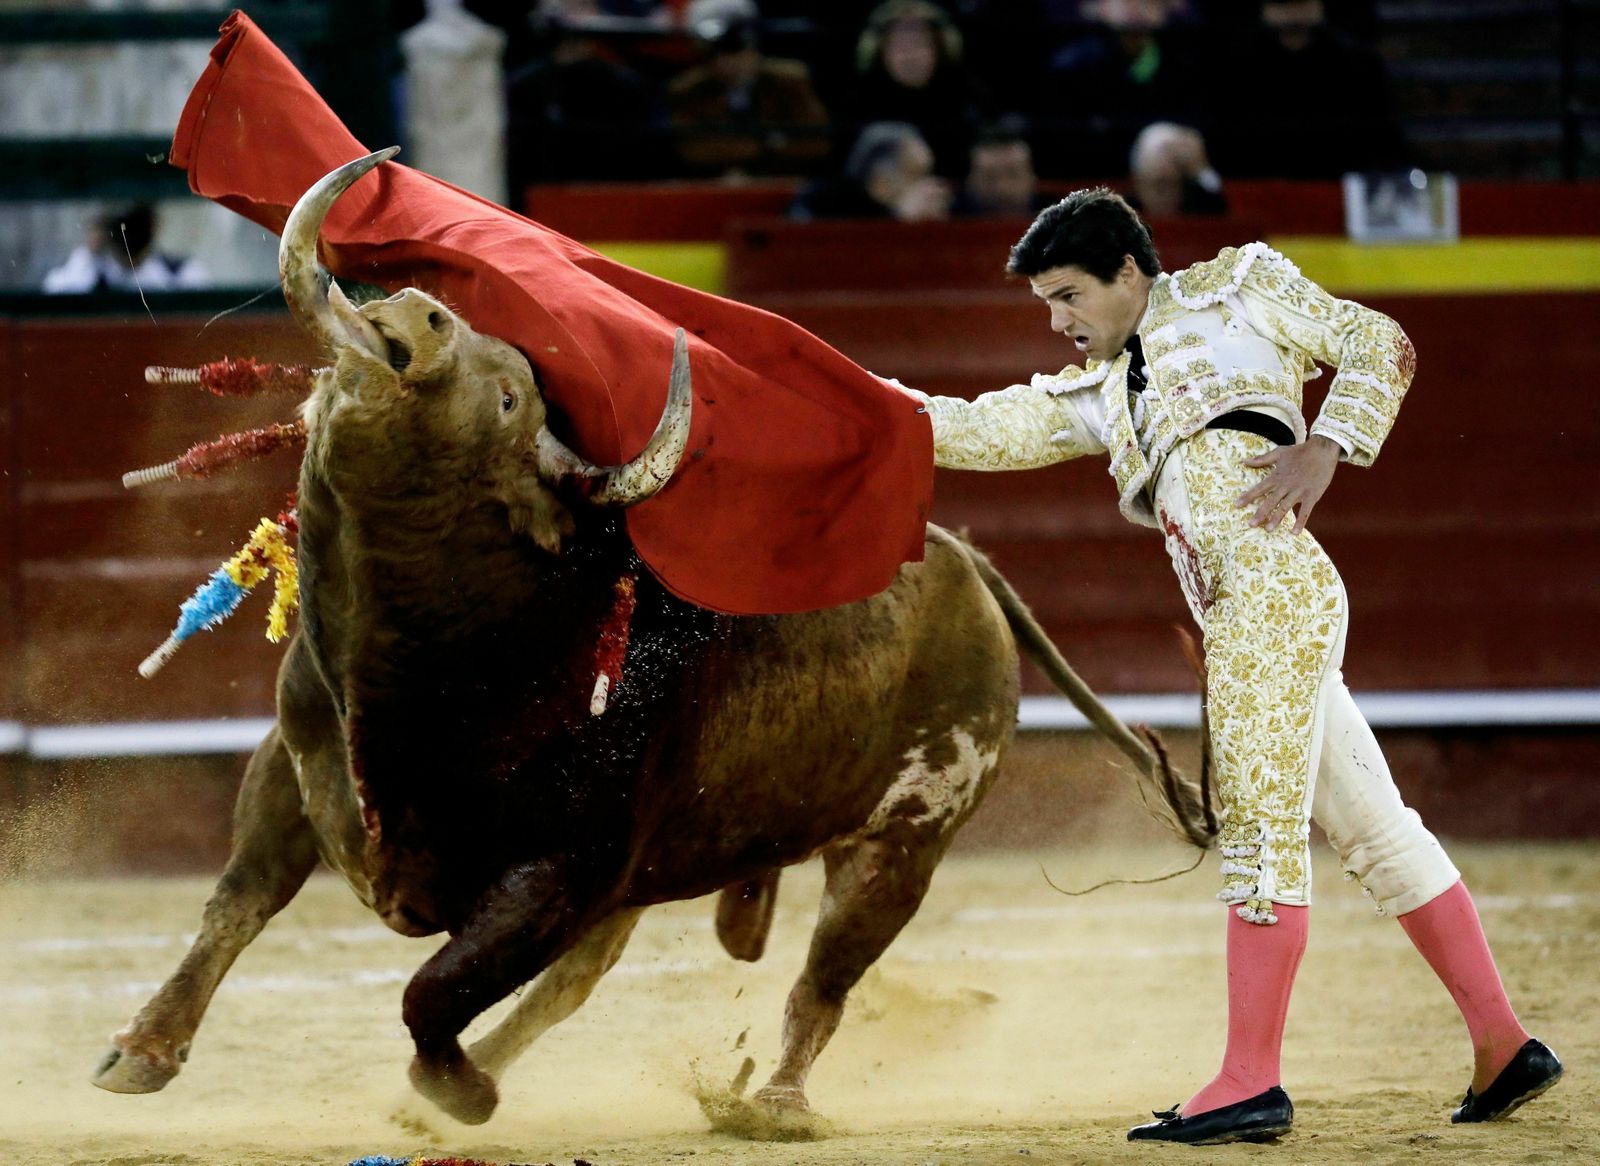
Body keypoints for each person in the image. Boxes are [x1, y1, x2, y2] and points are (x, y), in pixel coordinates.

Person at [901, 188, 1562, 1144]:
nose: (1057, 321)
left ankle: (1250, 1080)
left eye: (1069, 295)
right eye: (1047, 301)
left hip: (1270, 596)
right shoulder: (1103, 392)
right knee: (1377, 835)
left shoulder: (1239, 291)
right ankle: (1504, 1047)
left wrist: (1328, 445)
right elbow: (978, 428)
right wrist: (850, 397)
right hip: (1247, 614)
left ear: (1128, 270)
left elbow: (1378, 341)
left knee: (1257, 829)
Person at [666, 1, 831, 178]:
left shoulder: (790, 80)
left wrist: (749, 151)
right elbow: (692, 150)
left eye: (738, 50)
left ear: (754, 49)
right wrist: (769, 141)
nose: (731, 62)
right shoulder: (687, 89)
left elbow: (816, 142)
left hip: (782, 181)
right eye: (720, 53)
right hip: (715, 184)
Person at [848, 0, 988, 179]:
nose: (910, 55)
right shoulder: (859, 103)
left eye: (920, 44)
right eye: (899, 46)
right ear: (879, 52)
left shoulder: (969, 101)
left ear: (941, 49)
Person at [789, 120, 950, 222]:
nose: (930, 187)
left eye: (929, 174)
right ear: (881, 183)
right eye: (917, 177)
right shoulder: (824, 207)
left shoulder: (954, 205)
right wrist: (896, 220)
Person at [42, 204, 210, 294]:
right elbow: (55, 292)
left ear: (154, 224)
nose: (130, 233)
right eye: (121, 225)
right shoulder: (90, 276)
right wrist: (89, 253)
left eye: (138, 224)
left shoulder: (180, 275)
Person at [952, 119, 1049, 218]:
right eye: (989, 177)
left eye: (1012, 174)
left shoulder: (1059, 223)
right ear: (970, 181)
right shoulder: (947, 218)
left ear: (1032, 178)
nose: (1002, 188)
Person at [1127, 121, 1226, 217]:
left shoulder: (1196, 213)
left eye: (1172, 185)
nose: (1165, 199)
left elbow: (1221, 208)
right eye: (1159, 186)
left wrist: (1201, 171)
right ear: (1138, 185)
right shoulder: (1122, 221)